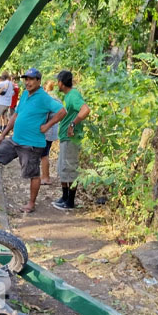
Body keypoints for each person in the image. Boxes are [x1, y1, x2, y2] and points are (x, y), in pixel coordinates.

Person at [0, 68, 66, 214]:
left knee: (33, 174)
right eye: (26, 79)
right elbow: (15, 115)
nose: (27, 82)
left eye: (31, 79)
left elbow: (62, 111)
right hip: (15, 140)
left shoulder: (44, 97)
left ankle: (31, 203)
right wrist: (3, 134)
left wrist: (47, 126)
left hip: (32, 144)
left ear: (38, 81)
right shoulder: (25, 94)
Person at [52, 70, 91, 211]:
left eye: (58, 82)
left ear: (61, 83)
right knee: (63, 168)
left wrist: (73, 124)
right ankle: (64, 197)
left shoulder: (73, 95)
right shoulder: (68, 96)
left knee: (70, 168)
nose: (57, 84)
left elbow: (85, 110)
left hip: (71, 138)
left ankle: (70, 201)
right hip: (64, 138)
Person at [40, 79, 60, 185]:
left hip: (47, 131)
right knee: (45, 153)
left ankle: (45, 177)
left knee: (44, 155)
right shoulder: (56, 98)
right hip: (53, 131)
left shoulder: (48, 99)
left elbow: (45, 115)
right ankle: (45, 176)